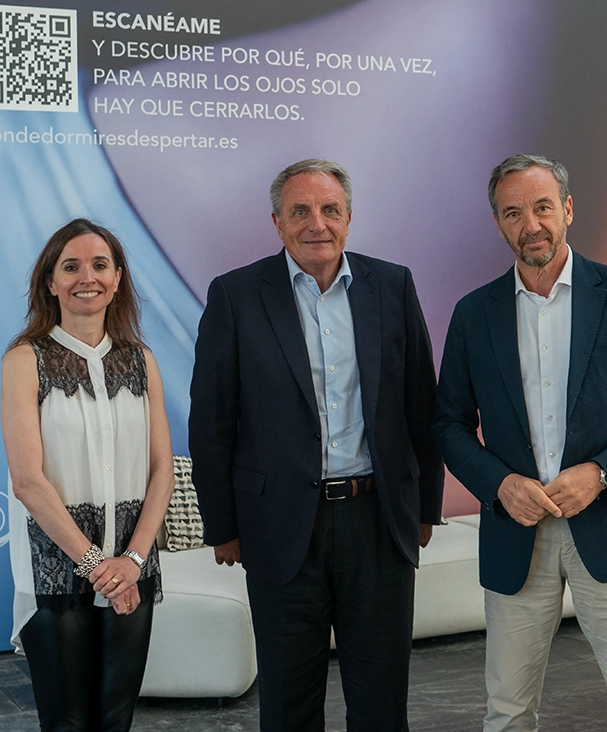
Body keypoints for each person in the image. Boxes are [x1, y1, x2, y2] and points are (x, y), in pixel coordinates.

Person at [434, 154, 607, 732]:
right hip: (515, 536)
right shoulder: (474, 314)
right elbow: (448, 425)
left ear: (568, 210)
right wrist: (500, 484)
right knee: (507, 715)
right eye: (513, 213)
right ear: (498, 223)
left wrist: (601, 473)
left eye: (542, 207)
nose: (530, 224)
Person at [188, 159, 444, 732]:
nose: (316, 223)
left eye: (330, 209)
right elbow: (211, 422)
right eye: (300, 211)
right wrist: (222, 525)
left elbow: (420, 405)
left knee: (382, 705)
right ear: (277, 222)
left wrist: (425, 509)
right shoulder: (235, 295)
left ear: (349, 217)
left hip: (377, 521)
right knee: (288, 706)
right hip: (278, 526)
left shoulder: (393, 285)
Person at [0, 219, 175, 732]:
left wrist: (133, 561)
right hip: (55, 566)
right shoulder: (24, 360)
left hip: (133, 565)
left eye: (100, 265)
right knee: (67, 724)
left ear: (117, 279)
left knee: (116, 721)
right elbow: (27, 480)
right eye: (71, 266)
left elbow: (162, 469)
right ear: (50, 282)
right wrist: (100, 567)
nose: (87, 277)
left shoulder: (141, 361)